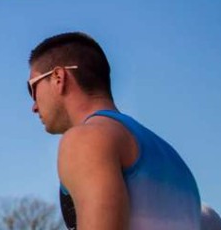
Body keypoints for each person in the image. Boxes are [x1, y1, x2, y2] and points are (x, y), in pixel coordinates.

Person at [28, 32, 201, 229]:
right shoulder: (174, 160)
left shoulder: (85, 139)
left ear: (58, 78)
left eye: (32, 88)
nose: (33, 106)